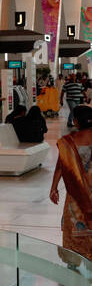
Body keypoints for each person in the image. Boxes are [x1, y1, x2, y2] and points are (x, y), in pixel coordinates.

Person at [51, 105, 92, 258]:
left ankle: (74, 266)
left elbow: (61, 166)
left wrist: (53, 188)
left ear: (75, 121)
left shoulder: (68, 142)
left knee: (75, 227)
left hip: (76, 194)